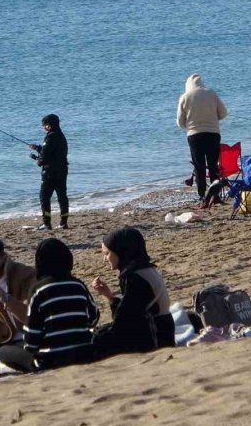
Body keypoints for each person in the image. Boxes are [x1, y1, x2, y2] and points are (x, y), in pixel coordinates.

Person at [0, 238, 99, 372]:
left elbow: (32, 336)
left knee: (4, 352)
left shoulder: (38, 290)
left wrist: (30, 350)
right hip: (83, 353)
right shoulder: (78, 285)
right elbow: (93, 317)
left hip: (52, 360)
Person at [92, 227, 175, 359]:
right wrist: (109, 296)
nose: (104, 259)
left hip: (156, 339)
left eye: (107, 253)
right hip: (161, 332)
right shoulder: (144, 269)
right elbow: (131, 311)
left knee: (97, 338)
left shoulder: (136, 277)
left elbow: (125, 321)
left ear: (121, 251)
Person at [177, 73, 227, 201]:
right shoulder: (211, 93)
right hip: (213, 133)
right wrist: (213, 120)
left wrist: (189, 125)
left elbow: (180, 122)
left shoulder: (185, 97)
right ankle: (215, 194)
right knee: (213, 165)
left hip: (194, 135)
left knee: (199, 166)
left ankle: (202, 194)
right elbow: (223, 113)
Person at [28, 114, 69, 230]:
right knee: (62, 197)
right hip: (62, 171)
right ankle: (63, 223)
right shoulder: (61, 136)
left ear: (49, 125)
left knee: (44, 198)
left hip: (50, 173)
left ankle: (46, 224)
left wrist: (36, 159)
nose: (44, 127)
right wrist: (37, 148)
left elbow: (43, 159)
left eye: (45, 125)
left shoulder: (49, 137)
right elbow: (52, 151)